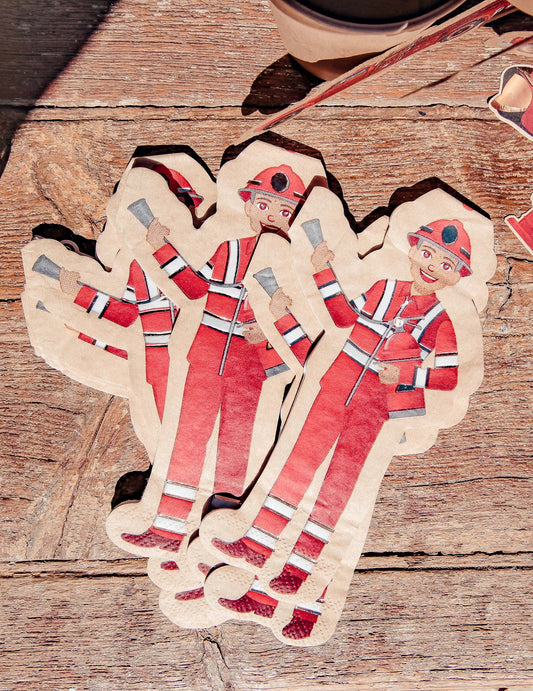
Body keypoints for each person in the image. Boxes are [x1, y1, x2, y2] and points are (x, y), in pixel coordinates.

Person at [213, 218, 472, 598]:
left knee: (339, 483)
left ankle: (299, 569)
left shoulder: (440, 321)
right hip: (335, 386)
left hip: (375, 407)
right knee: (299, 461)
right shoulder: (383, 288)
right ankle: (257, 543)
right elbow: (342, 317)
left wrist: (405, 374)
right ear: (414, 251)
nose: (432, 267)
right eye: (428, 254)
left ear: (456, 276)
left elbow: (448, 377)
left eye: (446, 264)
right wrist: (322, 270)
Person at [121, 165, 313, 552]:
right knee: (188, 436)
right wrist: (160, 247)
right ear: (248, 205)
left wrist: (269, 332)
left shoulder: (292, 270)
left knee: (237, 446)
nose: (272, 217)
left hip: (252, 366)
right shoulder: (229, 247)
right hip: (205, 353)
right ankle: (168, 526)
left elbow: (305, 331)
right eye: (264, 205)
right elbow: (194, 288)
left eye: (284, 211)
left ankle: (222, 533)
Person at [58, 166, 203, 421]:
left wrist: (163, 250)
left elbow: (200, 293)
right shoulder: (137, 265)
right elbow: (128, 317)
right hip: (159, 364)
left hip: (205, 357)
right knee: (172, 429)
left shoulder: (207, 252)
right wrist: (80, 304)